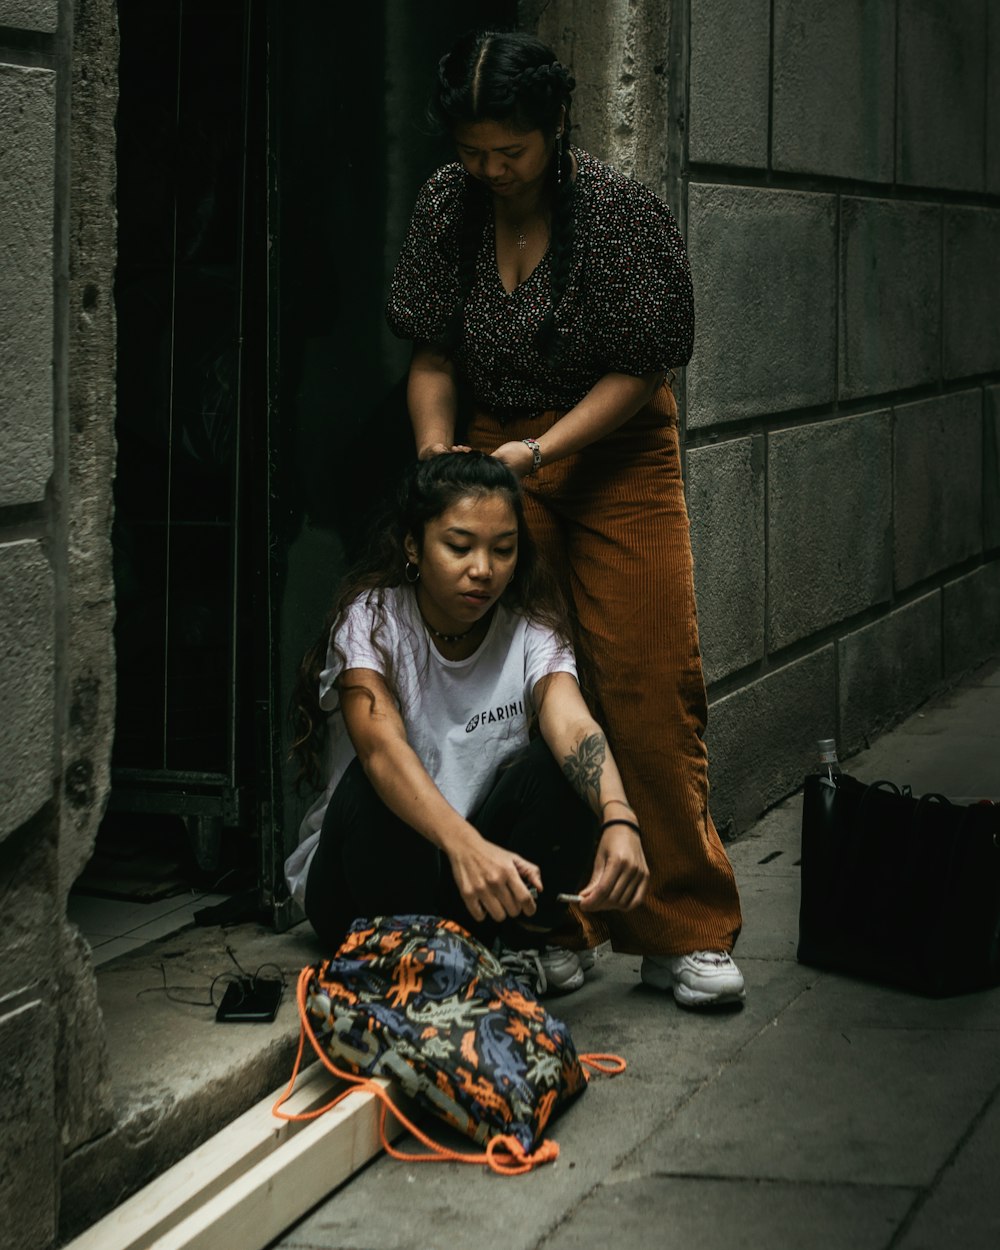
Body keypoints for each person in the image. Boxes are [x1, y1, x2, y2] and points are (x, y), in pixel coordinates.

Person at [384, 30, 745, 1008]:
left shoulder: (617, 212)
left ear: (553, 127)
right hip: (491, 445)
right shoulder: (445, 207)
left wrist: (543, 454)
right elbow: (428, 350)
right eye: (474, 152)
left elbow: (645, 366)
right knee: (528, 688)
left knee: (644, 676)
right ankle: (555, 920)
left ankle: (683, 923)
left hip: (611, 448)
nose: (493, 171)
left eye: (512, 150)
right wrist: (436, 458)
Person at [286, 451, 650, 994]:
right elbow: (381, 748)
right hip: (360, 887)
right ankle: (421, 960)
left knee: (563, 770)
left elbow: (573, 724)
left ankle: (517, 946)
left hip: (473, 883)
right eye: (459, 546)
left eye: (502, 550)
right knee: (374, 783)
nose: (483, 569)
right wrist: (463, 845)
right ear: (414, 545)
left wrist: (620, 818)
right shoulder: (373, 620)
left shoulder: (530, 630)